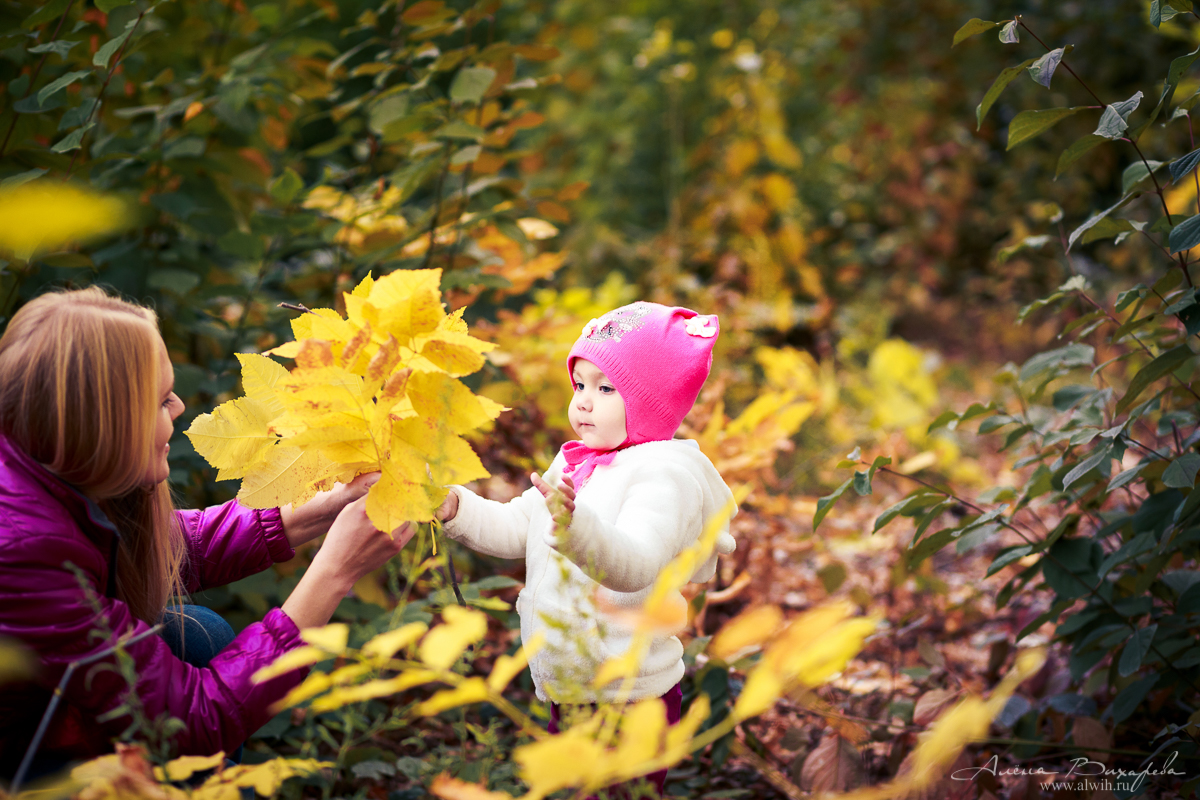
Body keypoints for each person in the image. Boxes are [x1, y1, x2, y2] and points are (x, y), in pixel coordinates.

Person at [0, 287, 414, 779]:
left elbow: (161, 548)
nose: (177, 406)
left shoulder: (41, 469)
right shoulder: (22, 549)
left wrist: (313, 510)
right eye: (160, 400)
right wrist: (333, 573)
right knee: (197, 642)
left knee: (196, 633)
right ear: (102, 424)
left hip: (45, 711)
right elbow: (192, 720)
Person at [437, 301, 737, 796]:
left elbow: (636, 563)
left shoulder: (664, 476)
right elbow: (518, 526)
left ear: (651, 401)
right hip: (572, 684)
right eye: (579, 385)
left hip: (628, 696)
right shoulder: (578, 461)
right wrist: (453, 507)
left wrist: (575, 527)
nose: (583, 402)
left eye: (605, 388)